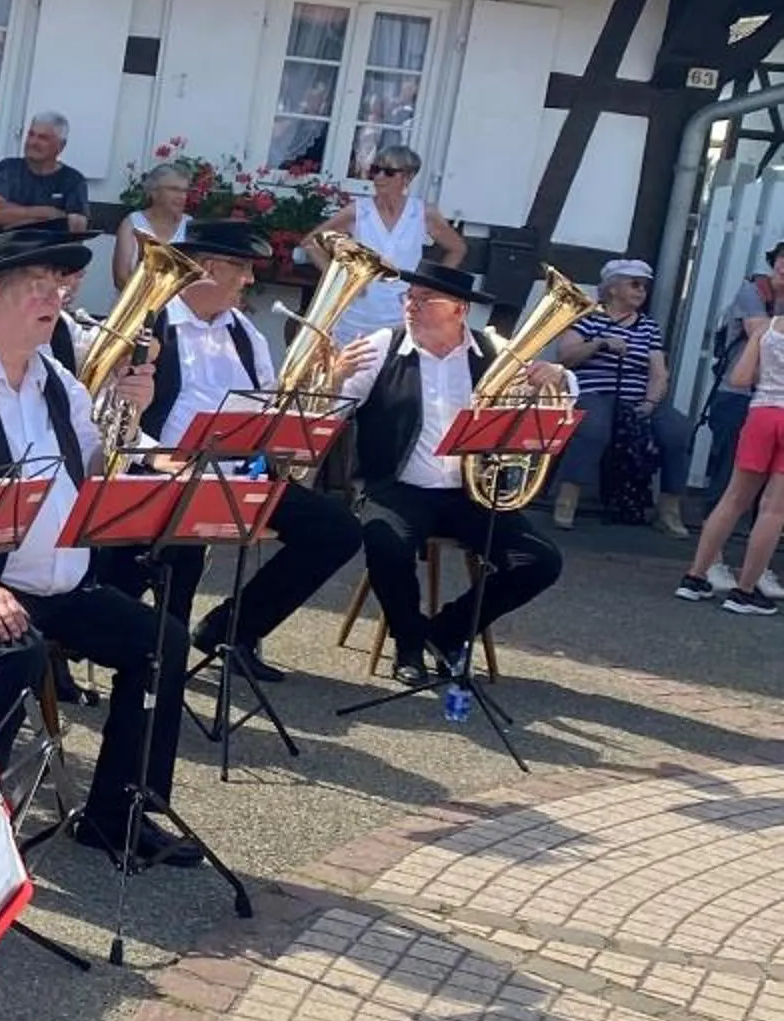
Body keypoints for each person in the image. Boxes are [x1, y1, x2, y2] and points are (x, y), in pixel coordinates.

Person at [0, 226, 198, 871]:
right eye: (37, 286)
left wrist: (132, 423)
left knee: (163, 642)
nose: (54, 296)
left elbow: (92, 467)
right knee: (17, 653)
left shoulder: (58, 380)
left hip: (58, 584)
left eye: (59, 285)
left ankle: (119, 815)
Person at [137, 220, 370, 681]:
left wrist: (326, 388)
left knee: (337, 530)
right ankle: (163, 656)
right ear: (206, 267)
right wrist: (159, 457)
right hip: (163, 473)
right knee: (183, 548)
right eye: (241, 267)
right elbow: (110, 414)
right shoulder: (150, 325)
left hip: (239, 472)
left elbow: (271, 405)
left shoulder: (245, 331)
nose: (249, 279)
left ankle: (230, 628)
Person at [338, 264, 567, 682]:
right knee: (388, 545)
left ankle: (445, 632)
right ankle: (408, 646)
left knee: (540, 561)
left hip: (470, 492)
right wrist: (337, 376)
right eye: (410, 297)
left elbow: (558, 395)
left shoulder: (494, 353)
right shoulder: (381, 347)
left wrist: (557, 377)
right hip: (397, 487)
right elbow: (334, 408)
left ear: (459, 309)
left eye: (425, 300)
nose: (411, 305)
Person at [554, 258, 694, 534]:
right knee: (593, 429)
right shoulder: (588, 319)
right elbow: (566, 357)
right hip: (595, 392)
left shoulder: (647, 327)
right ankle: (567, 499)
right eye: (634, 284)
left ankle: (668, 508)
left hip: (637, 397)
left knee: (678, 431)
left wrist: (651, 402)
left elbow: (658, 371)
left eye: (644, 286)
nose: (641, 290)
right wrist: (599, 344)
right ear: (613, 288)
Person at [678, 310, 784, 613]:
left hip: (761, 413)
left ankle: (695, 576)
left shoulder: (768, 327)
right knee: (774, 509)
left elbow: (739, 378)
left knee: (733, 498)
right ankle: (745, 591)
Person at [317, 147, 466, 349]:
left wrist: (431, 288)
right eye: (375, 170)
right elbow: (312, 242)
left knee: (392, 372)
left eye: (388, 172)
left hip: (401, 312)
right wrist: (338, 280)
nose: (379, 177)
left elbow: (457, 249)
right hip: (357, 311)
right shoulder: (359, 211)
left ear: (407, 177)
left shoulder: (422, 213)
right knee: (347, 372)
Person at [704, 241, 783, 500]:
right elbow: (762, 339)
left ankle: (759, 532)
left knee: (773, 479)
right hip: (737, 392)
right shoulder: (753, 291)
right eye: (782, 257)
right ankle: (711, 526)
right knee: (729, 471)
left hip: (773, 399)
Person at [0, 112, 92, 237]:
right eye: (31, 135)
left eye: (43, 138)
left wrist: (13, 215)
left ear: (61, 146)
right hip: (3, 252)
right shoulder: (8, 168)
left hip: (49, 253)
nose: (33, 142)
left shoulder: (74, 180)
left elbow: (76, 228)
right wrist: (47, 213)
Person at [112, 157, 195, 293]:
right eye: (174, 189)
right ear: (153, 192)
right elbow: (121, 278)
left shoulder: (191, 226)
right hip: (134, 304)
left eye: (185, 191)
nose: (182, 196)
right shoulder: (132, 223)